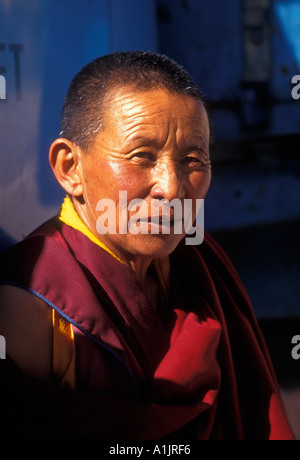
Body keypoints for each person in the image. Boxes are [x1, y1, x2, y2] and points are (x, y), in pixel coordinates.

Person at [0, 51, 295, 440]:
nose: (172, 189)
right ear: (70, 168)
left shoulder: (201, 265)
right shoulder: (28, 307)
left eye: (193, 159)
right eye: (141, 156)